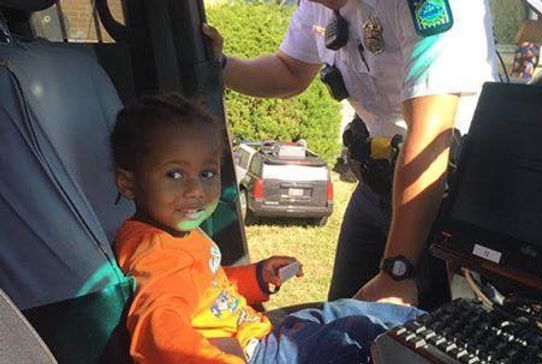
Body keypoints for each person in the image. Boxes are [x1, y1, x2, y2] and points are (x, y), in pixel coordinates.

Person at [202, 0, 498, 306]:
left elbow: (429, 139)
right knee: (343, 316)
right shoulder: (316, 6)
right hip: (378, 183)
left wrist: (397, 272)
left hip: (454, 195)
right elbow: (289, 71)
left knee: (432, 338)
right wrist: (218, 64)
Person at [110, 93, 424, 363]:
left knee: (356, 313)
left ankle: (438, 332)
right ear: (128, 182)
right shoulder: (155, 251)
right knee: (366, 332)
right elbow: (159, 337)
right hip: (258, 352)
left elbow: (205, 286)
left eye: (207, 173)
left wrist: (256, 277)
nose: (196, 190)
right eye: (175, 175)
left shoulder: (177, 231)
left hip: (262, 332)